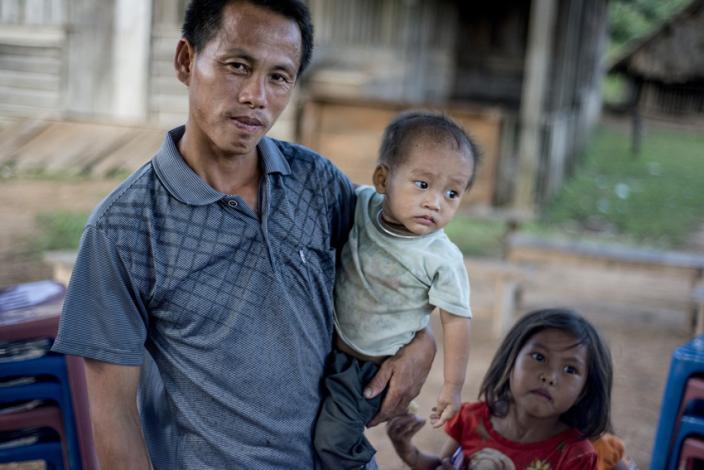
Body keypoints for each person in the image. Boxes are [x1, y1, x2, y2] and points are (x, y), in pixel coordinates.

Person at [50, 1, 434, 468]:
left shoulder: (316, 181)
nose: (257, 95)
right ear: (186, 61)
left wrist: (422, 342)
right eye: (238, 66)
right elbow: (110, 417)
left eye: (279, 76)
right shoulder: (124, 228)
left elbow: (392, 268)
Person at [313, 111, 479, 469]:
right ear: (382, 179)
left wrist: (452, 385)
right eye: (423, 184)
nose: (435, 202)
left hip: (369, 371)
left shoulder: (440, 258)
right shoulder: (358, 206)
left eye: (452, 192)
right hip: (323, 347)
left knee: (333, 442)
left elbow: (456, 320)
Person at [387, 308, 613, 470]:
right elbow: (443, 464)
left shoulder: (575, 455)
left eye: (570, 369)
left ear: (584, 390)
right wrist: (409, 452)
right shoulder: (472, 419)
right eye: (539, 357)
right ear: (511, 360)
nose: (550, 376)